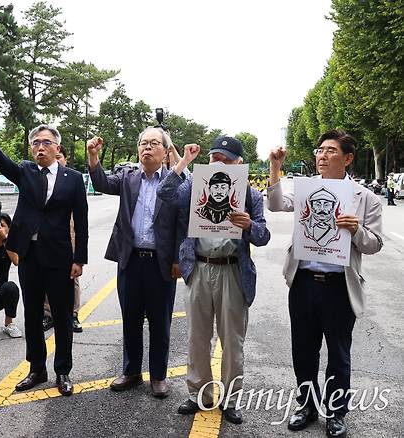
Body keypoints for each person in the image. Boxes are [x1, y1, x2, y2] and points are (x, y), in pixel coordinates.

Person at [267, 130, 383, 438]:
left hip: (340, 286)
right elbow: (275, 205)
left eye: (330, 151)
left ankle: (336, 412)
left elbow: (374, 244)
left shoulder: (365, 198)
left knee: (338, 354)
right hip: (303, 282)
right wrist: (276, 167)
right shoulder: (306, 188)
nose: (322, 155)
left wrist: (357, 230)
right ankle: (306, 405)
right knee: (304, 350)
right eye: (319, 150)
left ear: (347, 158)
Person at [157, 135, 270, 423]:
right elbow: (165, 193)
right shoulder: (194, 186)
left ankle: (231, 398)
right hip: (199, 267)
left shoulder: (250, 194)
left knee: (232, 340)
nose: (218, 163)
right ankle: (199, 393)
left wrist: (249, 225)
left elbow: (263, 236)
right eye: (214, 158)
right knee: (197, 336)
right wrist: (184, 161)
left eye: (225, 160)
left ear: (239, 163)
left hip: (233, 270)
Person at [0, 121, 88, 396]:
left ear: (57, 147)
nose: (40, 147)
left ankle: (63, 370)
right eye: (36, 143)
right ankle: (37, 368)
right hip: (29, 254)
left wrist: (79, 259)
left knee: (62, 315)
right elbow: (2, 162)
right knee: (33, 314)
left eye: (46, 142)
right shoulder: (25, 171)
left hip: (60, 256)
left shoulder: (73, 178)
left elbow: (82, 221)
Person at [87, 127, 185, 399]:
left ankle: (158, 376)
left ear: (166, 151)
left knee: (160, 323)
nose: (147, 147)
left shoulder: (175, 182)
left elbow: (182, 223)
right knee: (130, 319)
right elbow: (101, 183)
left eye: (154, 143)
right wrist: (93, 157)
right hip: (130, 261)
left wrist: (178, 259)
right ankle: (131, 371)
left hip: (160, 264)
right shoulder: (128, 178)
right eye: (143, 143)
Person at [43, 145, 83, 333]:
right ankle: (48, 313)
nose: (56, 160)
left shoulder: (72, 179)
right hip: (47, 236)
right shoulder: (43, 177)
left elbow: (81, 218)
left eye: (59, 157)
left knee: (72, 276)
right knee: (45, 275)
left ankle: (73, 314)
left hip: (69, 233)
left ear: (65, 160)